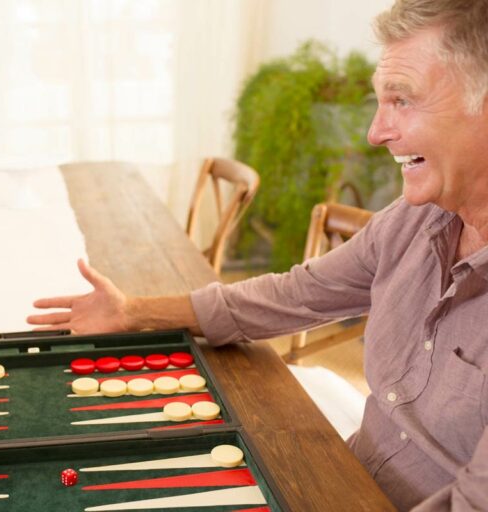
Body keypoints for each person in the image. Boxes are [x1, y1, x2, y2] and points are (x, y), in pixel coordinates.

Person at [27, 0, 488, 509]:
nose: (375, 132)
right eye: (379, 102)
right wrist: (134, 312)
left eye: (402, 100)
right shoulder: (412, 220)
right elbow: (296, 294)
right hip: (338, 477)